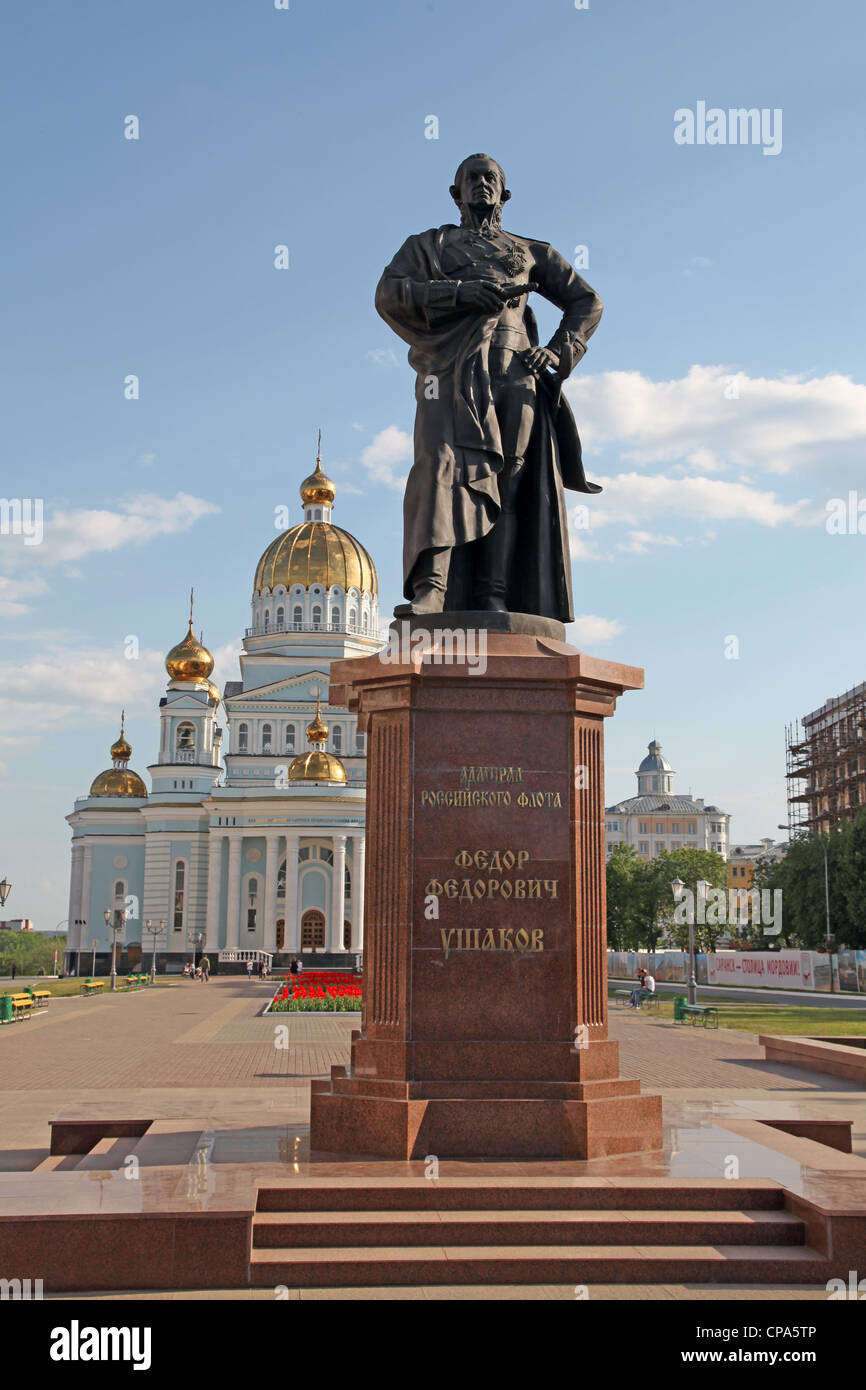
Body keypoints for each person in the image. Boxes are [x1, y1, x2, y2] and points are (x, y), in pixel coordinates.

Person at [375, 153, 603, 619]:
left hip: (516, 376)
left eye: (490, 179)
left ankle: (494, 595)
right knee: (437, 467)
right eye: (472, 178)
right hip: (450, 371)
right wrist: (458, 294)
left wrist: (558, 353)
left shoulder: (530, 251)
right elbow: (390, 293)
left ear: (505, 194)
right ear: (455, 193)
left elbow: (587, 302)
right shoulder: (428, 246)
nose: (481, 185)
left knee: (507, 483)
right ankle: (432, 589)